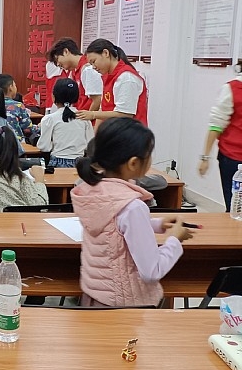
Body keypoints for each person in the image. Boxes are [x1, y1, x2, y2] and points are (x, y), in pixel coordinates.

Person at [71, 118, 190, 307]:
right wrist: (174, 240)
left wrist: (157, 224)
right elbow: (152, 271)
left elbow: (114, 229)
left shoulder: (92, 191)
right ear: (133, 163)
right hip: (126, 307)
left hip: (95, 298)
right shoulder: (132, 207)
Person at [76, 39, 148, 126]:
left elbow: (125, 114)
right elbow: (103, 109)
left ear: (105, 53)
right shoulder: (107, 77)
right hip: (113, 131)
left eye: (94, 61)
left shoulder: (126, 77)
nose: (93, 67)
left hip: (130, 132)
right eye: (91, 64)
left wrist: (93, 114)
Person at [199, 68, 242, 211]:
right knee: (235, 208)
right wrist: (205, 157)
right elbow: (216, 125)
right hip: (233, 159)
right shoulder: (232, 89)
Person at [37, 78, 95, 168]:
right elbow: (90, 145)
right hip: (79, 165)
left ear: (53, 97)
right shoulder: (84, 118)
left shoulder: (49, 119)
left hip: (57, 164)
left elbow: (44, 147)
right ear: (77, 98)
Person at [48, 37, 102, 112]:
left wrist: (88, 117)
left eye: (57, 59)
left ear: (66, 51)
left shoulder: (88, 68)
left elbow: (97, 100)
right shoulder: (73, 72)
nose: (57, 64)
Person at [0, 74, 39, 144]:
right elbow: (28, 130)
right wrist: (39, 127)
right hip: (15, 144)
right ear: (10, 87)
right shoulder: (17, 106)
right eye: (15, 85)